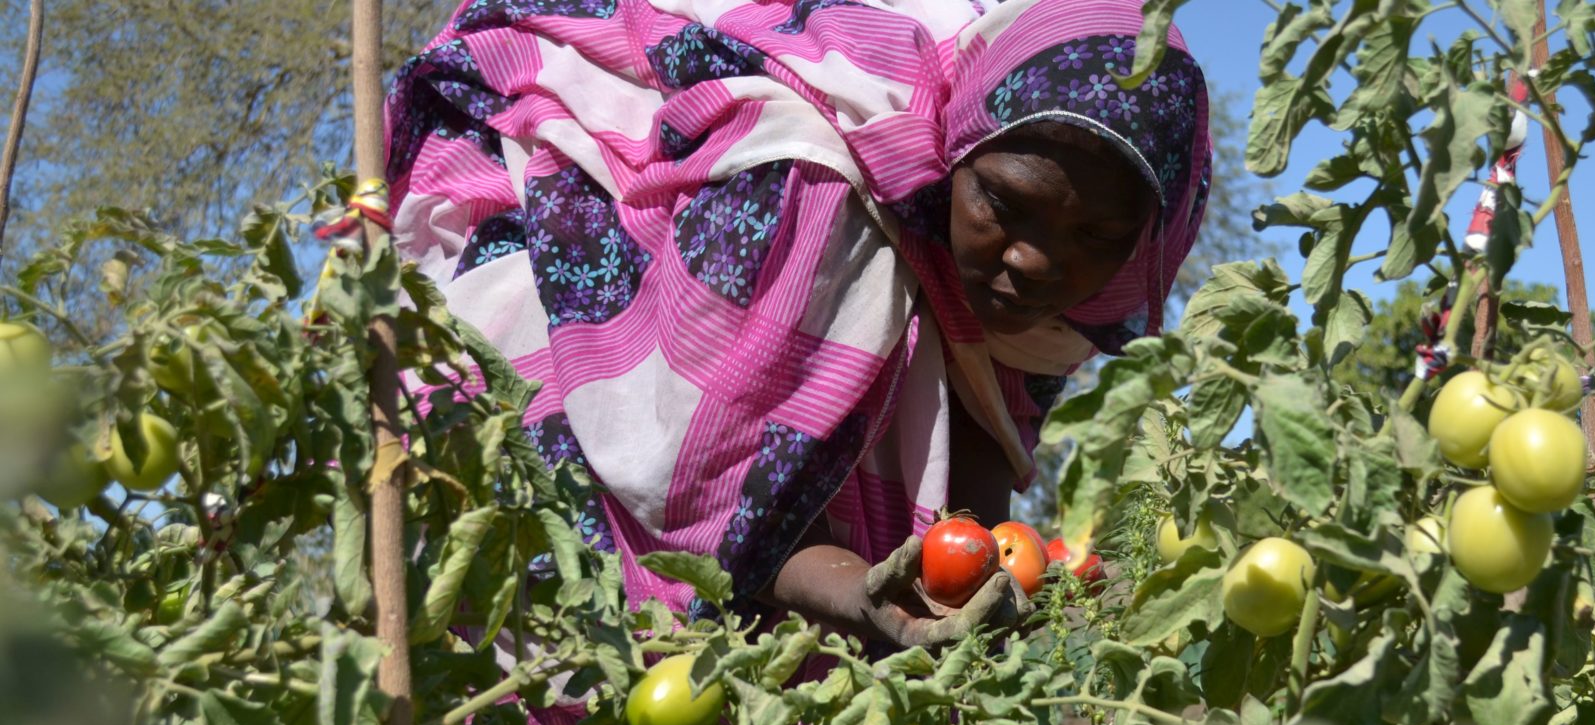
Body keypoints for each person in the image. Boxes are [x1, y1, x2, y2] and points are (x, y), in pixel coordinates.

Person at [385, 0, 1211, 653]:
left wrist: (1009, 585)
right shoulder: (808, 195)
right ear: (960, 147)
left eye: (1098, 239)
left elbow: (973, 511)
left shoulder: (1062, 308)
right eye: (1003, 204)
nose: (1036, 263)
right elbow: (702, 485)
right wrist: (861, 591)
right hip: (587, 404)